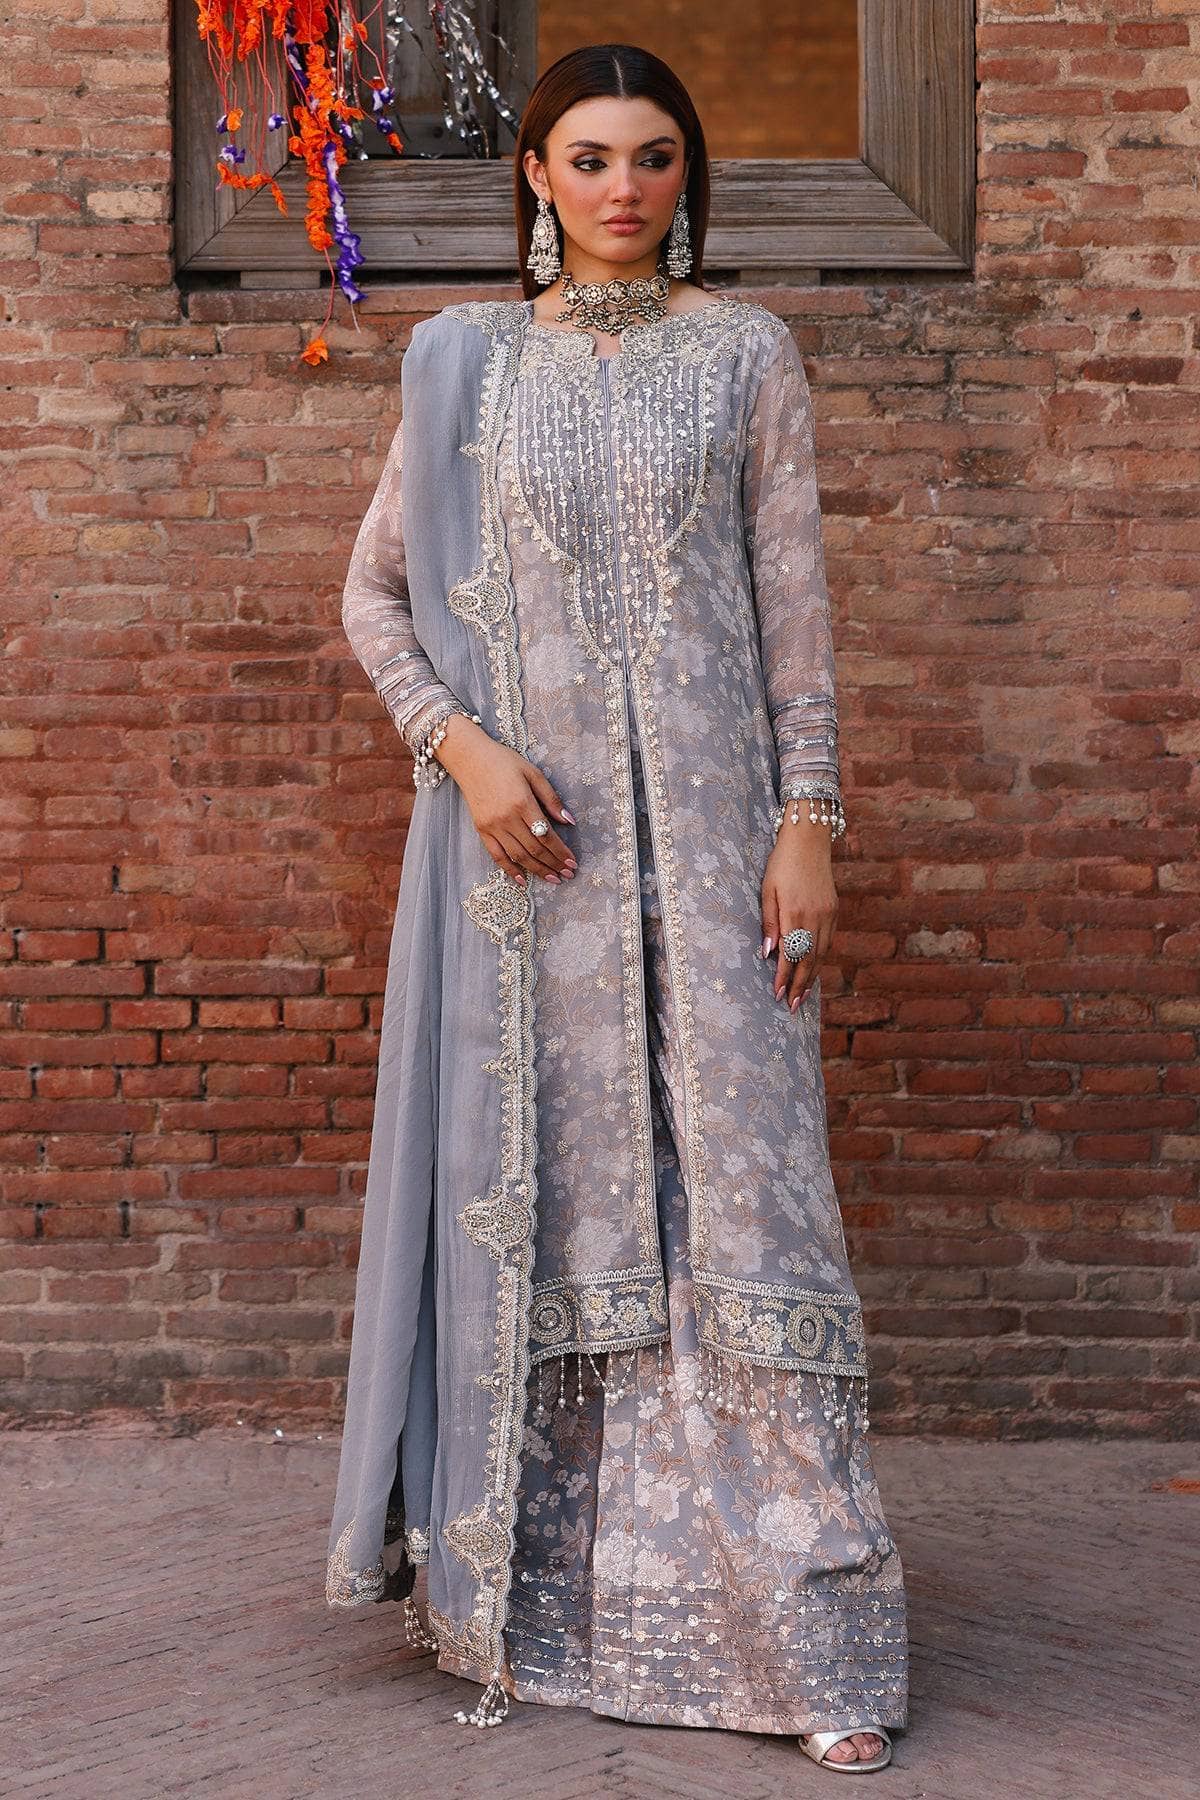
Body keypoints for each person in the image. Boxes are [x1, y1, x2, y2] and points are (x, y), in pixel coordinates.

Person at [326, 41, 909, 1776]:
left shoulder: (746, 355)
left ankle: (809, 1632)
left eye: (654, 158)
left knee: (751, 1203)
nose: (624, 189)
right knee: (571, 1204)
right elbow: (372, 599)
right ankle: (560, 1612)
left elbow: (794, 615)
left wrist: (809, 824)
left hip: (722, 850)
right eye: (589, 158)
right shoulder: (467, 364)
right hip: (538, 874)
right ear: (535, 174)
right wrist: (465, 753)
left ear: (685, 175)